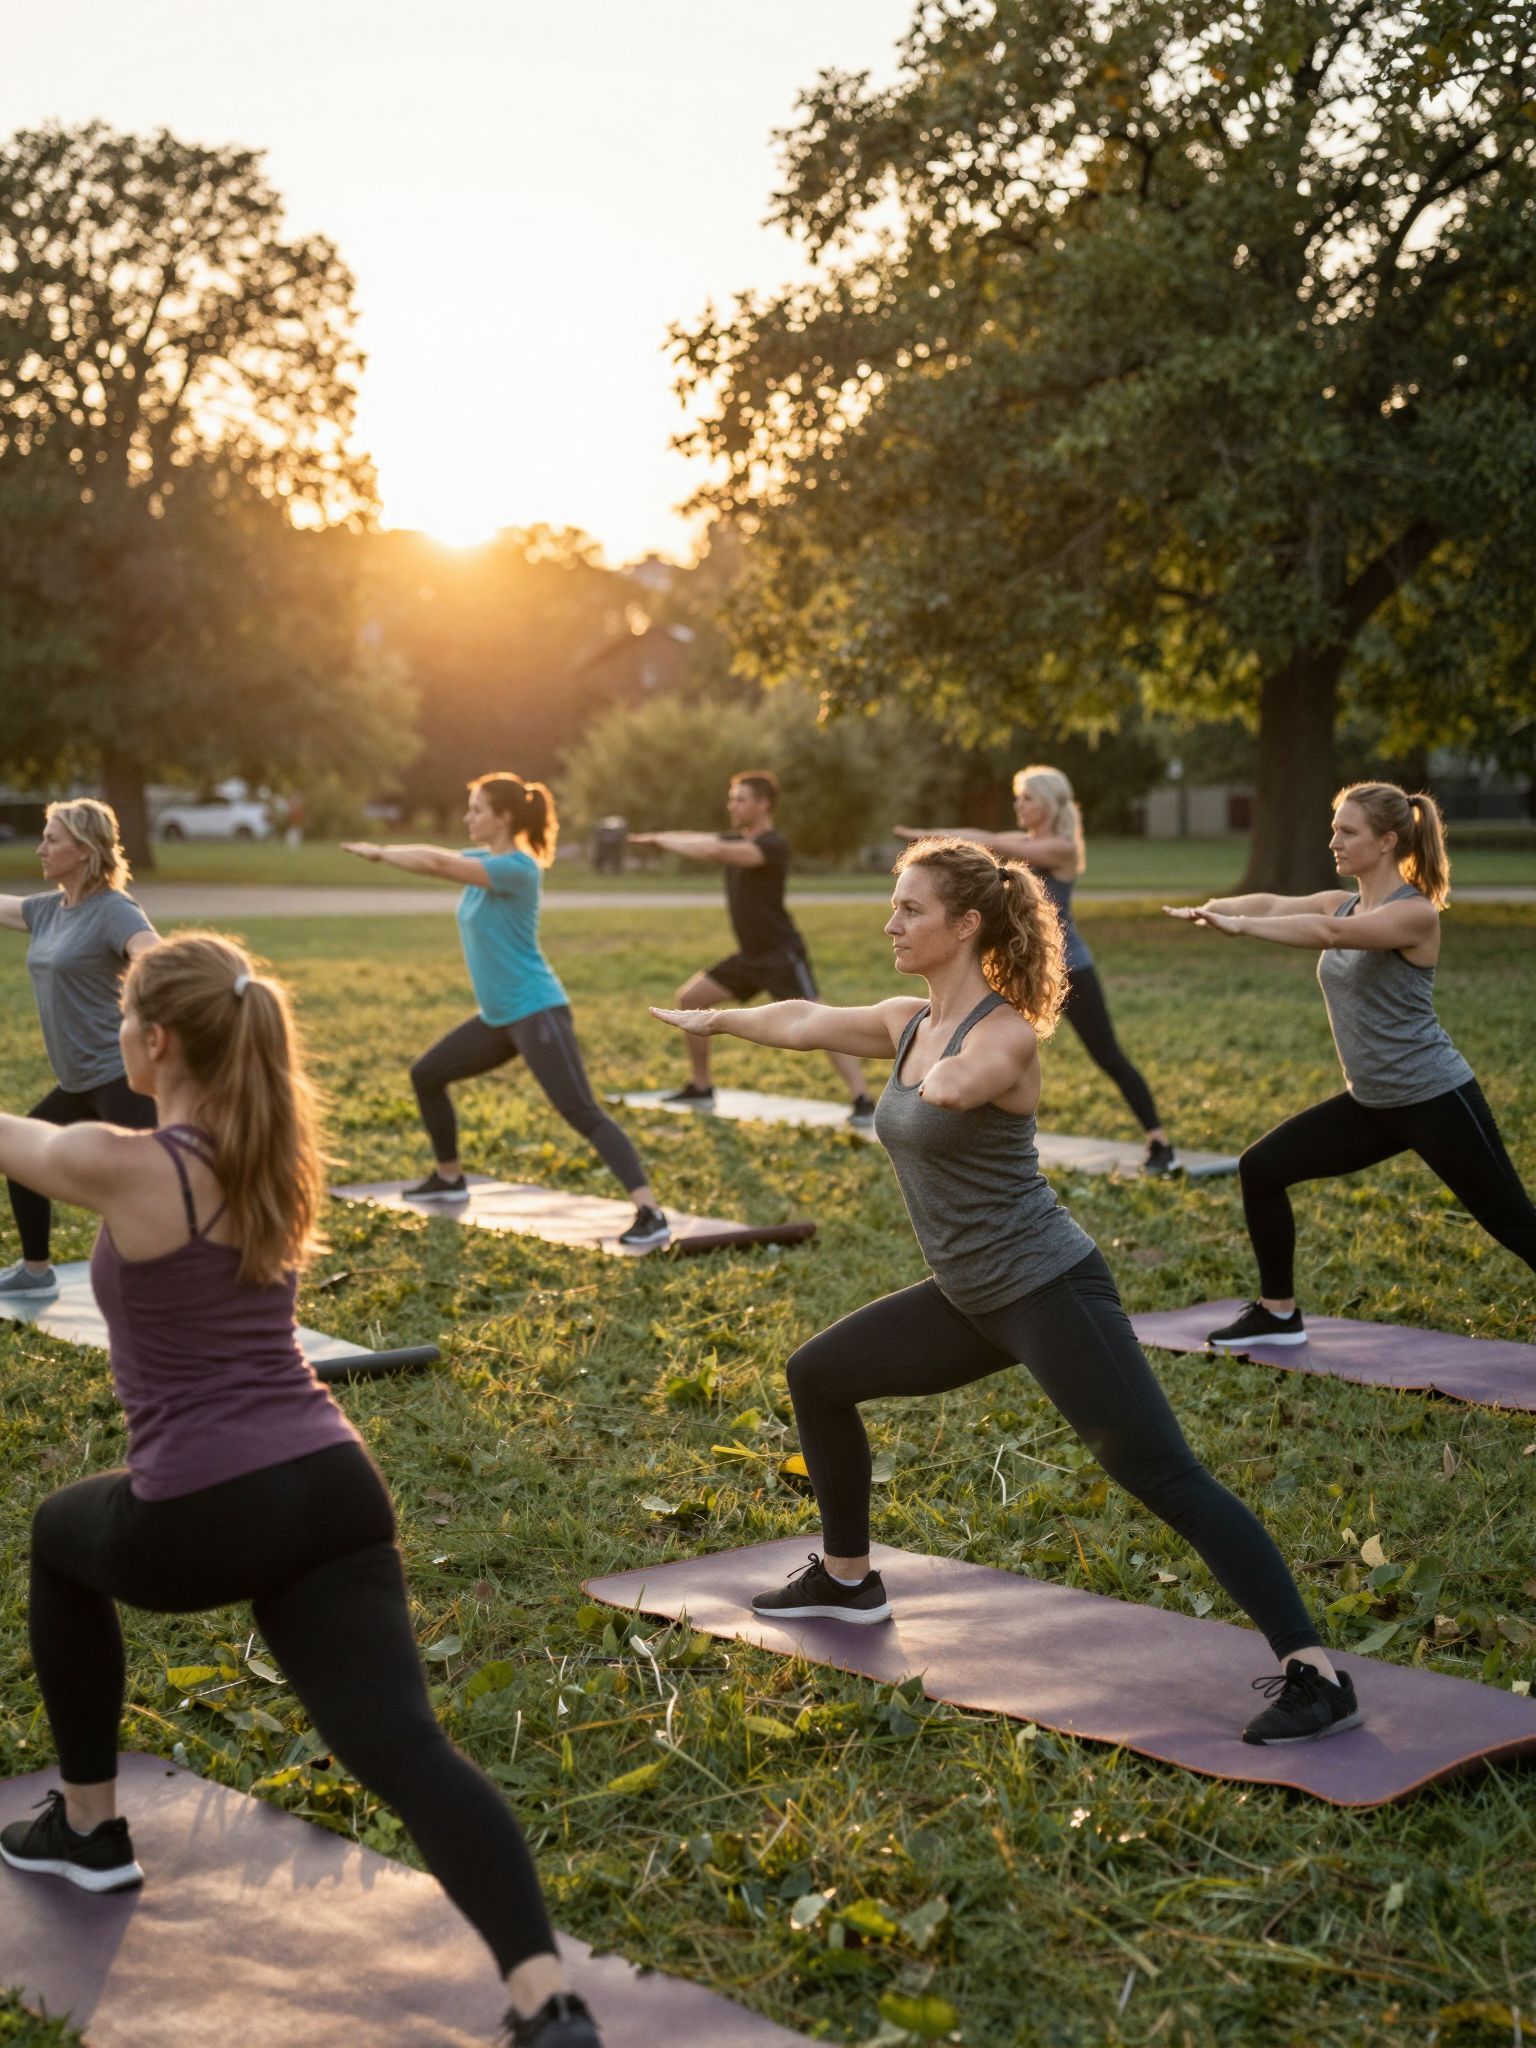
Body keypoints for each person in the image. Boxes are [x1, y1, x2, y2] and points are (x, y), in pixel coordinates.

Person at [0, 932, 601, 2048]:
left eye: (126, 1017)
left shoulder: (130, 1164)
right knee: (410, 1751)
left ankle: (86, 1827)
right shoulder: (271, 1151)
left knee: (55, 1531)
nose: (117, 1033)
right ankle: (547, 2003)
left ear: (156, 1040)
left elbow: (16, 1139)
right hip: (332, 1487)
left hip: (200, 1509)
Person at [651, 838, 1361, 1746]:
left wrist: (945, 1080)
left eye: (910, 908)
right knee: (818, 1376)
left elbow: (967, 1081)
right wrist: (717, 1022)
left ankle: (1317, 1673)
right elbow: (804, 1020)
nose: (891, 922)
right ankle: (847, 1578)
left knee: (1162, 1475)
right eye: (894, 905)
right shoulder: (907, 1020)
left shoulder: (1006, 1033)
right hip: (967, 1299)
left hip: (1047, 1289)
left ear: (965, 924)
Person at [1166, 781, 1536, 1349]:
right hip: (1373, 1103)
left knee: (1513, 1223)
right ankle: (1278, 1315)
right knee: (1261, 1168)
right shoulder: (1340, 900)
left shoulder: (1413, 914)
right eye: (1334, 828)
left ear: (1387, 841)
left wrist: (1241, 928)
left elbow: (1332, 934)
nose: (1333, 841)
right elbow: (1273, 904)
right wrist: (1215, 909)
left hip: (1434, 1097)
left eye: (1347, 831)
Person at [344, 774, 667, 1251]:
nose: (467, 817)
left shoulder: (519, 868)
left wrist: (378, 852)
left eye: (477, 809)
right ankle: (449, 1178)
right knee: (427, 1074)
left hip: (537, 1011)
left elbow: (436, 863)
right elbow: (440, 857)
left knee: (581, 1111)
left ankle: (650, 1212)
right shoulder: (483, 860)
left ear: (505, 817)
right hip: (499, 1018)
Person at [897, 766, 1177, 1174]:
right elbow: (986, 838)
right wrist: (931, 838)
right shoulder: (1023, 843)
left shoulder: (1062, 849)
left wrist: (932, 839)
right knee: (980, 1041)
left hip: (1070, 968)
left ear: (1048, 803)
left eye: (1027, 797)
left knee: (1107, 1054)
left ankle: (1159, 1141)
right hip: (1019, 965)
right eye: (1018, 797)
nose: (1019, 805)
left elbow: (991, 841)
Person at [629, 770, 875, 1125]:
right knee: (691, 999)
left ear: (764, 804)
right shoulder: (735, 839)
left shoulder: (773, 846)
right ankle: (701, 1085)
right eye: (732, 799)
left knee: (822, 1023)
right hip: (750, 956)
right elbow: (700, 839)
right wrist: (659, 837)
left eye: (740, 800)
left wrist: (659, 842)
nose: (733, 806)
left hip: (781, 955)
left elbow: (715, 850)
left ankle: (862, 1098)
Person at [0, 800, 160, 1297]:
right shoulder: (49, 910)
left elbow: (152, 952)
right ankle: (35, 1272)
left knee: (146, 1189)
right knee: (21, 1157)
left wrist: (149, 970)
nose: (40, 848)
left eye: (52, 839)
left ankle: (171, 1287)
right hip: (78, 1081)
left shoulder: (113, 909)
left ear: (85, 850)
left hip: (119, 1077)